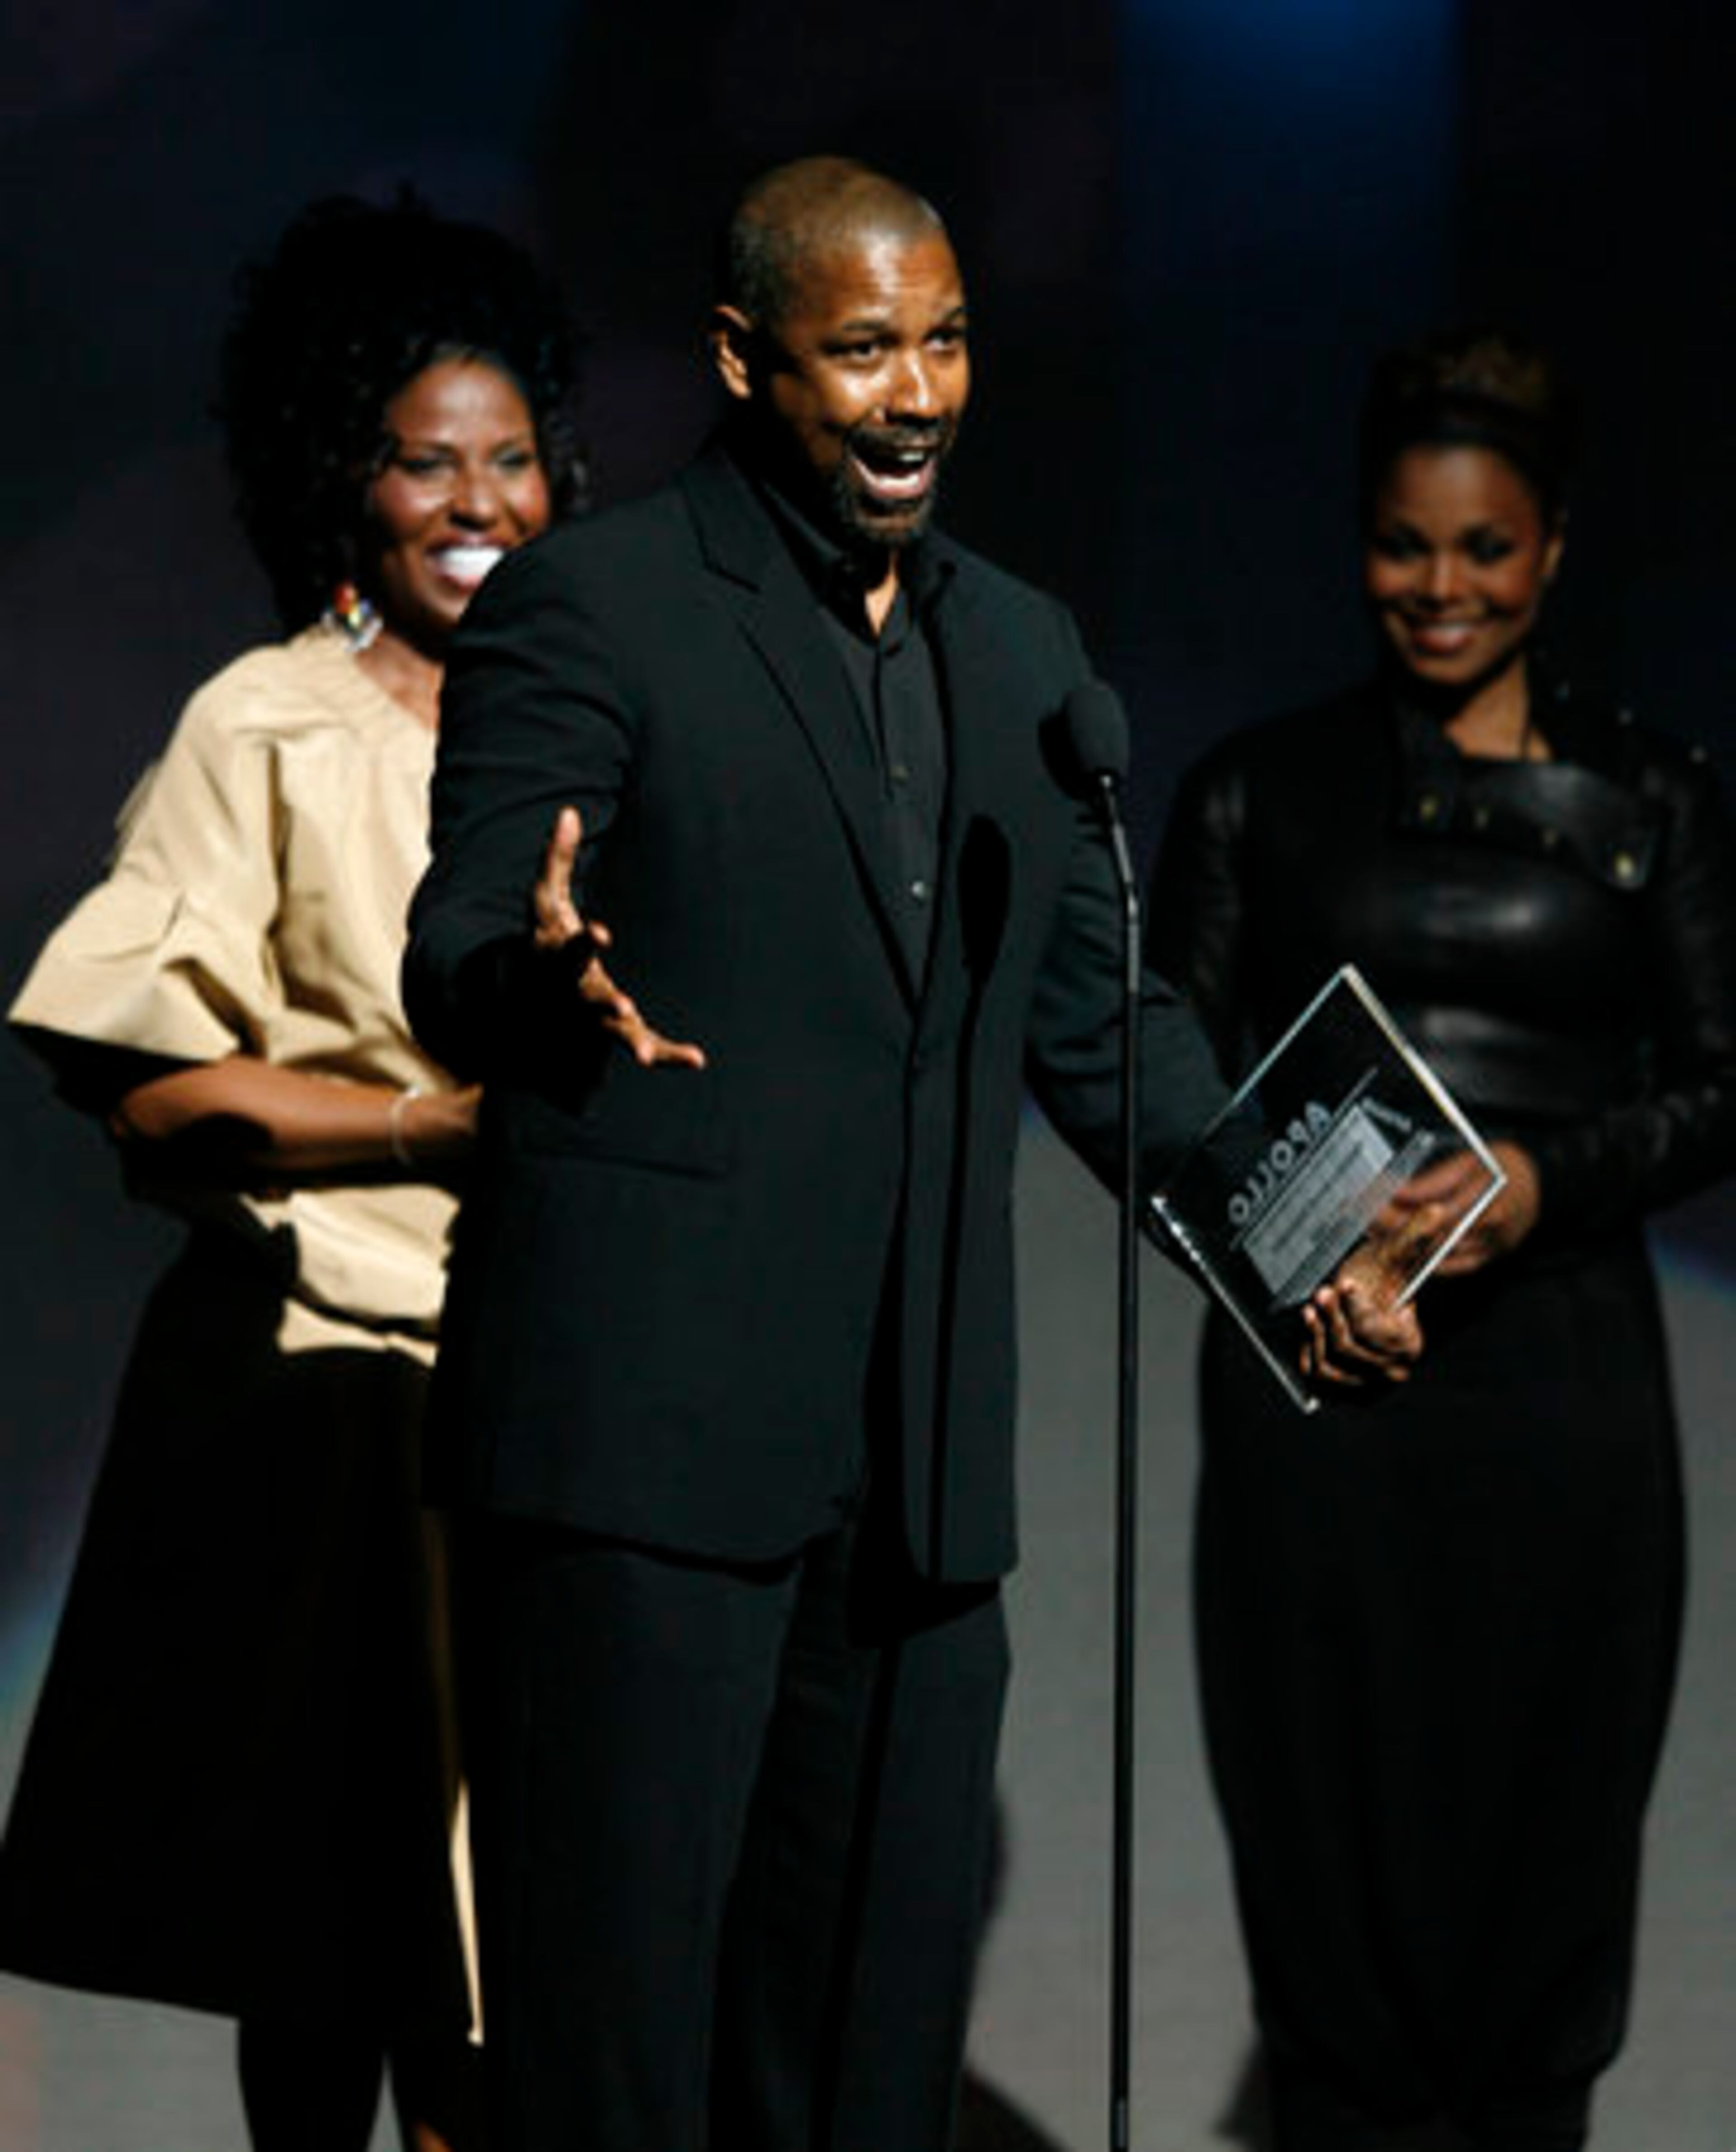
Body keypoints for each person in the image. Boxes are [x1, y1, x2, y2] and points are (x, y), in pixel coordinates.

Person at [401, 154, 1417, 2152]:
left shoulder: (1026, 657)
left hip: (920, 1490)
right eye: (863, 347)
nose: (917, 391)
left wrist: (1300, 1252)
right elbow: (459, 941)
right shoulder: (592, 604)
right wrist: (537, 982)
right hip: (645, 1471)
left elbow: (1104, 1029)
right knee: (619, 2066)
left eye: (945, 340)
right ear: (743, 357)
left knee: (865, 2068)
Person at [0, 193, 584, 2152]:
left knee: (517, 1991)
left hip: (558, 1409)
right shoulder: (262, 724)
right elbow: (142, 1080)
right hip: (325, 1408)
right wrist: (432, 1125)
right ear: (349, 478)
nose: (479, 498)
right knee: (337, 1967)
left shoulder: (597, 736)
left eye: (513, 457)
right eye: (431, 460)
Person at [1148, 328, 1736, 2150]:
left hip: (1561, 1402)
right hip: (1321, 1398)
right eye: (1406, 546)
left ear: (1553, 550)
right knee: (1329, 1847)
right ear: (1359, 543)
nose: (1443, 587)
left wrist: (1532, 1193)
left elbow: (1724, 1079)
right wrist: (1306, 1271)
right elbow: (1156, 1084)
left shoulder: (1656, 800)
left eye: (1485, 550)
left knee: (1541, 1864)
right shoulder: (1259, 786)